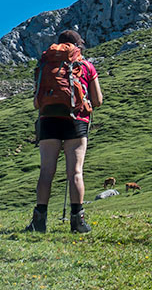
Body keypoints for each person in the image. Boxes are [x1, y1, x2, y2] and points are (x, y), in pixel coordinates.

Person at [25, 29, 103, 234]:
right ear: (77, 46)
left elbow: (36, 102)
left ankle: (39, 221)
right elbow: (98, 100)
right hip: (75, 121)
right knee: (75, 172)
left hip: (48, 120)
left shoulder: (45, 65)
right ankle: (77, 221)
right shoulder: (86, 66)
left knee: (46, 171)